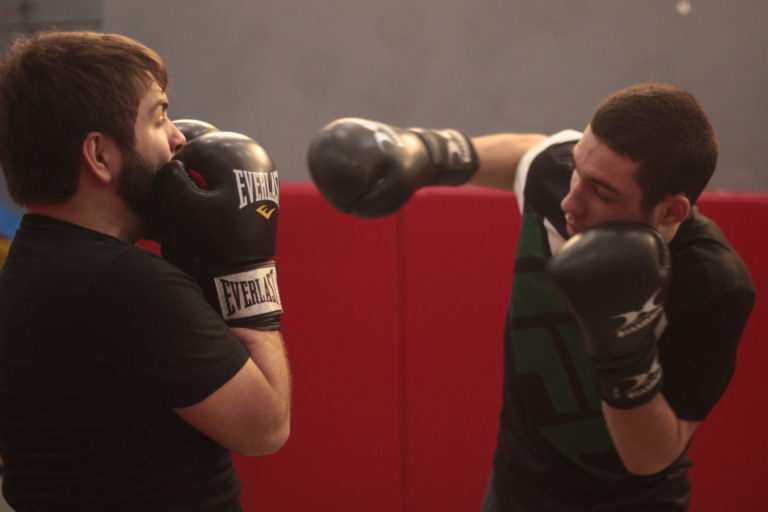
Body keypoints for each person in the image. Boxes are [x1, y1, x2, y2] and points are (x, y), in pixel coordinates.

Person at [307, 82, 755, 511]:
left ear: (671, 210)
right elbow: (534, 152)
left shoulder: (712, 284)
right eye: (578, 170)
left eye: (601, 192)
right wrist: (427, 152)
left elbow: (652, 456)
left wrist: (622, 348)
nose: (570, 202)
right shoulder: (560, 179)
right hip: (514, 492)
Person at [0, 31, 290, 511]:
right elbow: (265, 427)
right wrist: (245, 269)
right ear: (99, 156)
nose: (178, 138)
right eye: (159, 118)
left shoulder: (28, 271)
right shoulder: (127, 285)